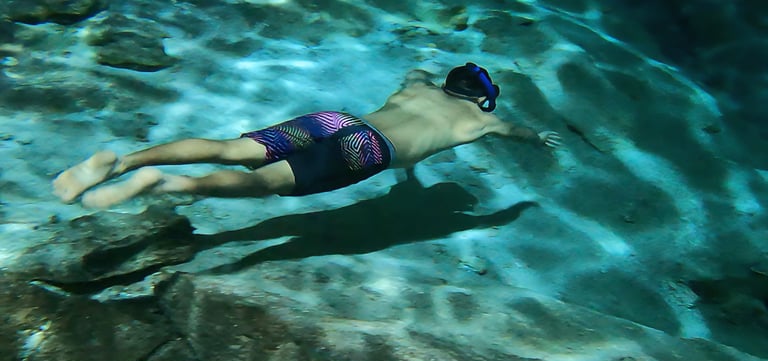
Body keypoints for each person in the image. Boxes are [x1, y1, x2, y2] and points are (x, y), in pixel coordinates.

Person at [53, 62, 561, 209]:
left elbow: (414, 70)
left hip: (339, 121)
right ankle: (165, 185)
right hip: (367, 149)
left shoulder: (417, 89)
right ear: (483, 99)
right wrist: (538, 137)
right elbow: (515, 130)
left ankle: (124, 163)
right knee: (261, 184)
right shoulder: (481, 122)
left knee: (230, 149)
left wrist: (423, 71)